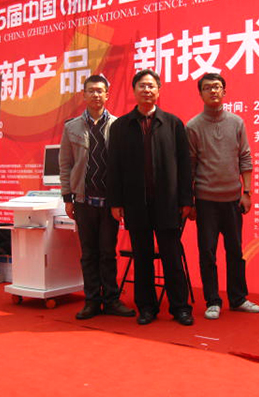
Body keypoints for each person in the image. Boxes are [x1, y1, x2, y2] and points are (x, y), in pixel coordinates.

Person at [107, 69, 194, 326]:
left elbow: (185, 165)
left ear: (158, 90)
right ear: (134, 91)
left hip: (168, 203)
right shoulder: (121, 126)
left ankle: (180, 308)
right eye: (142, 86)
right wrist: (115, 202)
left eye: (151, 86)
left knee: (172, 257)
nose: (147, 90)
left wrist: (186, 200)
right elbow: (114, 167)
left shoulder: (173, 124)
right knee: (142, 258)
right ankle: (146, 307)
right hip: (135, 204)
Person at [186, 73, 259, 320]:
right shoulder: (192, 126)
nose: (213, 91)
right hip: (206, 201)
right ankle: (212, 301)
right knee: (207, 253)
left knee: (235, 251)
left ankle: (238, 298)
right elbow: (190, 167)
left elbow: (245, 157)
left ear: (224, 91)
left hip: (232, 200)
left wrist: (247, 192)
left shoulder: (236, 122)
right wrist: (191, 202)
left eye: (217, 87)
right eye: (207, 88)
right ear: (200, 94)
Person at [59, 75, 136, 320]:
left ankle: (111, 299)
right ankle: (92, 301)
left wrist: (121, 201)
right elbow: (65, 164)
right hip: (83, 201)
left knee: (108, 252)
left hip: (109, 204)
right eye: (91, 91)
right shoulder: (71, 127)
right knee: (89, 253)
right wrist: (67, 198)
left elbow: (124, 166)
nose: (96, 95)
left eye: (100, 91)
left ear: (107, 95)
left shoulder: (119, 125)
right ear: (84, 95)